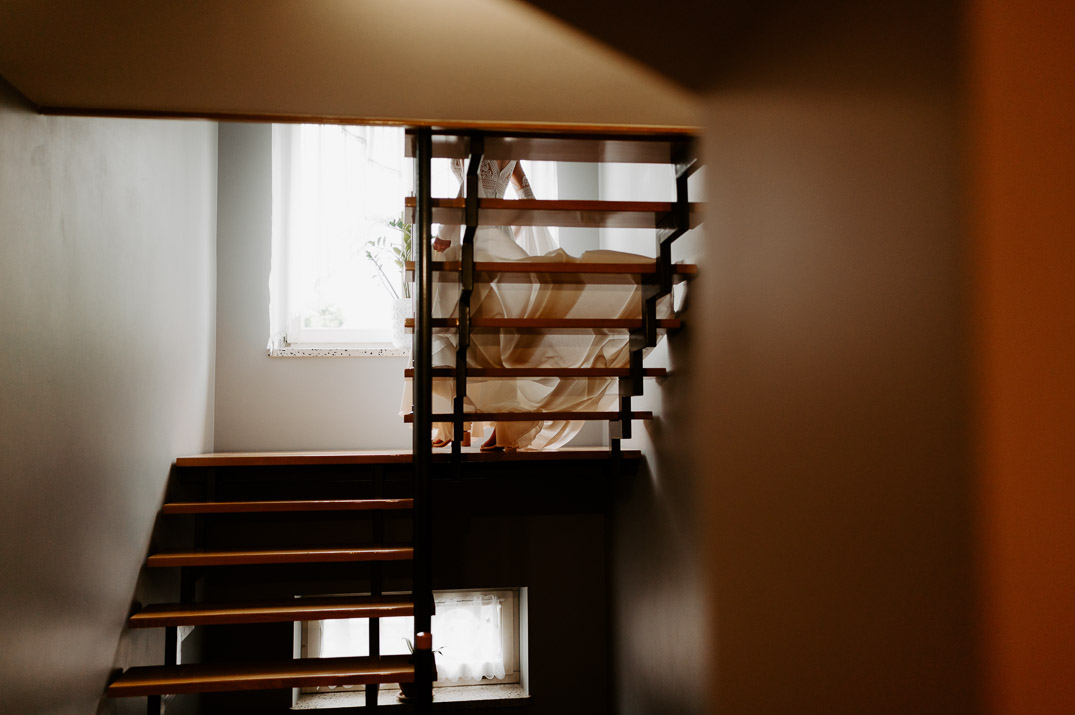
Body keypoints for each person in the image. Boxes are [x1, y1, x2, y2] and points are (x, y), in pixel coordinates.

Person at [407, 157, 667, 451]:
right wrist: (519, 226)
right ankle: (475, 425)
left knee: (491, 341)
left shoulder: (477, 143)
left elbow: (470, 185)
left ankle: (487, 426)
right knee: (491, 341)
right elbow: (524, 190)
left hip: (478, 235)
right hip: (493, 232)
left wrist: (444, 232)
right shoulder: (508, 150)